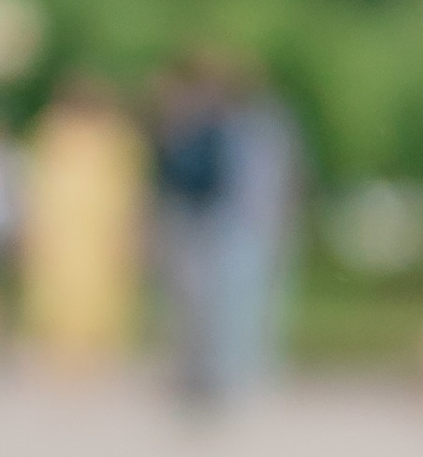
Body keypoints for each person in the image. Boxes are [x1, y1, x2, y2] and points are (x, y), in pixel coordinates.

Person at [153, 47, 302, 407]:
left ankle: (234, 373)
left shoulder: (251, 124)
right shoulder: (218, 123)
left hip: (236, 223)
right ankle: (217, 373)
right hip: (220, 222)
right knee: (216, 302)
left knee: (238, 303)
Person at [19, 75, 147, 367]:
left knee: (98, 288)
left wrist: (131, 228)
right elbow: (37, 183)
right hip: (64, 224)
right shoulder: (51, 131)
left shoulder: (117, 136)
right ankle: (62, 351)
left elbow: (131, 188)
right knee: (59, 287)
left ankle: (94, 352)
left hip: (98, 226)